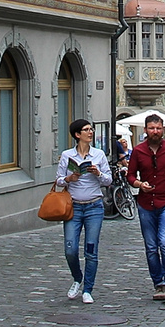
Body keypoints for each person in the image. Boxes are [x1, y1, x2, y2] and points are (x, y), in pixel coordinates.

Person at [127, 113, 165, 301]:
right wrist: (139, 184)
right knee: (151, 246)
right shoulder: (138, 151)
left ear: (163, 129)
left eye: (159, 128)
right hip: (146, 204)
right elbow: (130, 175)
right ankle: (158, 283)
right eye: (152, 128)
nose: (155, 131)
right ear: (145, 130)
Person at [56, 119, 112, 303]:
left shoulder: (99, 154)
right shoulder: (67, 155)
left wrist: (98, 174)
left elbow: (108, 181)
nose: (91, 132)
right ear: (77, 135)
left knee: (91, 249)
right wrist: (69, 178)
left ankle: (88, 289)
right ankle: (77, 278)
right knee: (70, 249)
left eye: (91, 129)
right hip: (73, 207)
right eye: (86, 130)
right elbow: (58, 180)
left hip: (94, 206)